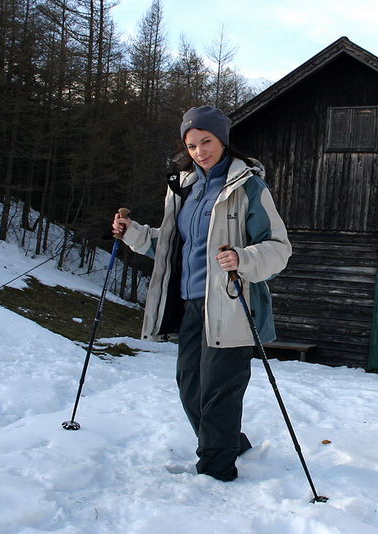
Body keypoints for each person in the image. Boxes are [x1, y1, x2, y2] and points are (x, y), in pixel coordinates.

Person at [112, 105, 291, 481]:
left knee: (219, 391)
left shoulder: (248, 187)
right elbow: (173, 243)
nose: (199, 151)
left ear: (222, 140)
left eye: (206, 141)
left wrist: (242, 258)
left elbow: (278, 248)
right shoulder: (185, 188)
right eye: (192, 145)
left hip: (230, 305)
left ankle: (216, 469)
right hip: (190, 304)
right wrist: (133, 233)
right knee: (190, 385)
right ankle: (228, 442)